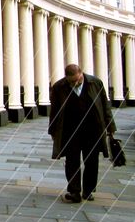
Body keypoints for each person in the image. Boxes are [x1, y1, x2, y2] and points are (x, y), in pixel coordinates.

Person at [48, 64, 116, 203]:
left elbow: (105, 106)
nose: (75, 83)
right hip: (70, 130)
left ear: (81, 73)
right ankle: (74, 191)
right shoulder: (59, 87)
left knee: (91, 161)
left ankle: (88, 190)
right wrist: (53, 130)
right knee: (71, 161)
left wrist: (111, 127)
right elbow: (54, 111)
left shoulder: (95, 83)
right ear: (66, 78)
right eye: (71, 81)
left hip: (93, 130)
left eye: (77, 80)